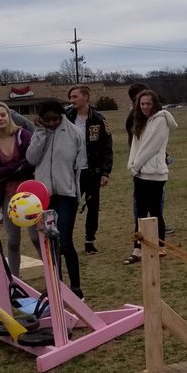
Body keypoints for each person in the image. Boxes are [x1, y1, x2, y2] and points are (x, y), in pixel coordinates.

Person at [26, 98, 86, 297]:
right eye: (47, 120)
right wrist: (41, 133)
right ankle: (55, 284)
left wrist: (78, 192)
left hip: (66, 194)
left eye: (55, 119)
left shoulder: (75, 134)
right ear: (41, 119)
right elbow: (31, 158)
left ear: (61, 116)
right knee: (50, 242)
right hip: (44, 196)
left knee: (65, 240)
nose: (52, 123)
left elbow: (80, 166)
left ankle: (76, 286)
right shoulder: (39, 133)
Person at [0, 100, 35, 276]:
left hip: (31, 195)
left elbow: (31, 163)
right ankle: (15, 281)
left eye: (3, 115)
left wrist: (10, 170)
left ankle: (54, 277)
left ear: (9, 116)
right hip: (8, 196)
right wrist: (18, 166)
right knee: (13, 241)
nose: (0, 119)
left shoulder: (24, 135)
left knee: (36, 237)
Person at [124, 90, 177, 264]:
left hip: (155, 174)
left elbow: (151, 147)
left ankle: (160, 245)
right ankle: (137, 248)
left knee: (154, 210)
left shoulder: (161, 120)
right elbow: (136, 145)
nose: (145, 107)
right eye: (142, 104)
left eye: (148, 103)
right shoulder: (139, 121)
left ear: (155, 103)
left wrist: (137, 165)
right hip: (139, 173)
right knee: (139, 211)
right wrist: (132, 166)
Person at [65, 84, 113, 255]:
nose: (71, 101)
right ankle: (66, 241)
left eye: (75, 97)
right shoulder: (67, 118)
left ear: (85, 97)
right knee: (69, 206)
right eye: (70, 97)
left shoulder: (99, 120)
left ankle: (89, 241)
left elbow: (107, 147)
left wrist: (105, 172)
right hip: (72, 171)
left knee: (92, 206)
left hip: (92, 171)